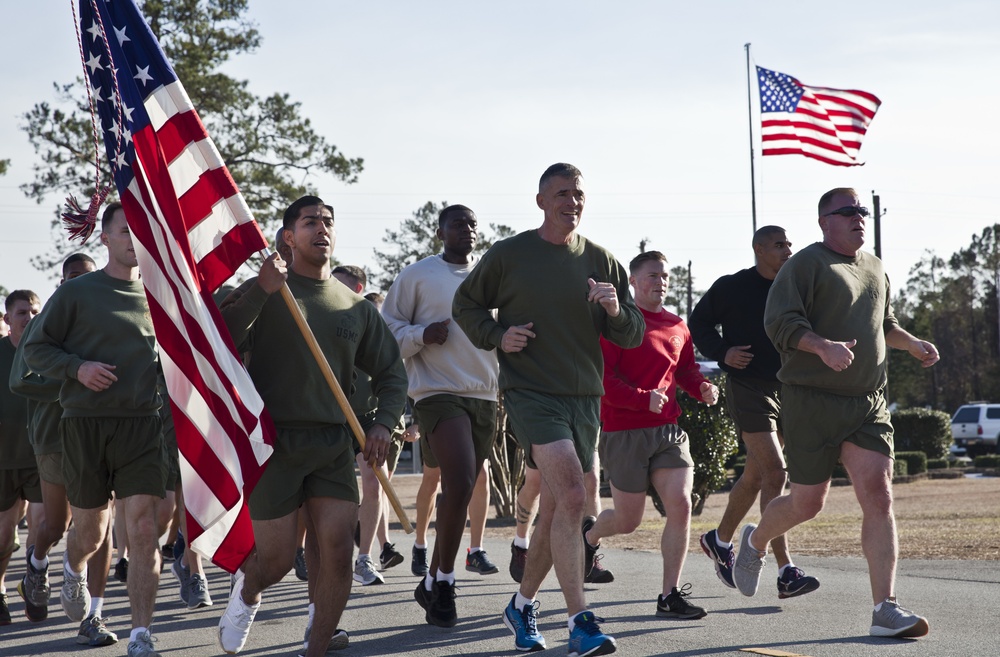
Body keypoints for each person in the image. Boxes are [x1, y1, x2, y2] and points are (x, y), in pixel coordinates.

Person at [454, 163, 643, 656]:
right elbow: (466, 306)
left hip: (584, 398)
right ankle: (580, 621)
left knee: (559, 507)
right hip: (531, 393)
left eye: (578, 194)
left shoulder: (601, 260)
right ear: (541, 201)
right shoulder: (510, 255)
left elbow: (634, 332)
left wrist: (616, 310)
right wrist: (498, 336)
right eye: (561, 193)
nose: (572, 202)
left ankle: (521, 603)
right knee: (576, 495)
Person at [733, 188, 939, 639]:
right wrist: (821, 346)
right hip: (811, 400)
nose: (858, 217)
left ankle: (885, 607)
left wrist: (912, 344)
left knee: (879, 496)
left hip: (867, 402)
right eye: (848, 212)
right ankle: (756, 540)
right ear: (824, 220)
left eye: (862, 211)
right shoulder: (804, 265)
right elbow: (781, 324)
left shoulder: (876, 267)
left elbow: (884, 325)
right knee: (808, 502)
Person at [217, 195, 407, 657]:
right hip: (274, 442)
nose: (321, 229)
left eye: (328, 222)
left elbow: (392, 373)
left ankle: (316, 647)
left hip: (332, 442)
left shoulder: (355, 306)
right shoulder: (266, 287)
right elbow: (221, 339)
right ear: (289, 236)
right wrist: (261, 289)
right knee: (279, 560)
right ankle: (247, 591)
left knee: (339, 550)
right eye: (309, 222)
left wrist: (383, 424)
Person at [21, 203, 166, 657]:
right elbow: (35, 352)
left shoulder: (163, 295)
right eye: (124, 232)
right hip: (84, 425)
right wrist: (77, 368)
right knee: (93, 533)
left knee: (143, 529)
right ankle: (71, 563)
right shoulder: (77, 293)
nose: (133, 240)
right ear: (104, 238)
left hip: (143, 425)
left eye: (140, 233)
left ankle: (141, 634)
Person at [381, 204, 501, 628]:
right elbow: (386, 333)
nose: (467, 229)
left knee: (461, 488)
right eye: (457, 223)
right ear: (440, 232)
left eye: (472, 223)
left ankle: (431, 580)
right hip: (436, 393)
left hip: (485, 395)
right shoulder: (417, 275)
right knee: (462, 479)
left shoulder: (490, 275)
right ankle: (447, 583)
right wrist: (421, 335)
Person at [584, 250, 718, 620]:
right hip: (624, 431)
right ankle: (589, 538)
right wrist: (644, 400)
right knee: (628, 521)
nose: (661, 282)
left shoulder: (678, 326)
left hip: (668, 431)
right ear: (633, 281)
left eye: (665, 277)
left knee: (681, 504)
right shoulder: (617, 325)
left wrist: (703, 387)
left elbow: (687, 371)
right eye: (653, 276)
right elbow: (603, 382)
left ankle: (669, 595)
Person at [688, 226, 820, 599]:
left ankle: (719, 539)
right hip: (747, 387)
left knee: (755, 476)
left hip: (786, 389)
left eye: (790, 244)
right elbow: (698, 323)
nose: (788, 250)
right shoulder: (731, 286)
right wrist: (722, 352)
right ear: (759, 249)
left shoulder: (794, 288)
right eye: (779, 245)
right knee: (776, 472)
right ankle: (785, 569)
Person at [11, 254, 123, 646]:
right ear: (62, 282)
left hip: (99, 433)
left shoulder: (110, 313)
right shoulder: (50, 318)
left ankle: (94, 615)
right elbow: (19, 380)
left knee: (100, 526)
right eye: (72, 276)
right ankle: (37, 563)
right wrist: (73, 380)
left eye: (86, 274)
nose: (80, 281)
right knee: (55, 527)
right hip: (55, 438)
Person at [330, 264, 404, 586]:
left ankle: (365, 558)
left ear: (358, 289)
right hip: (330, 416)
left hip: (366, 418)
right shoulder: (324, 318)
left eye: (342, 285)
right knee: (327, 494)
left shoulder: (373, 321)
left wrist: (390, 423)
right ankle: (311, 552)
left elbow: (394, 375)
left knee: (374, 484)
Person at [0, 290, 42, 626]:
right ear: (7, 319)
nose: (28, 318)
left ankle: (32, 582)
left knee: (43, 523)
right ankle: (0, 590)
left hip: (40, 456)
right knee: (3, 534)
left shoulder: (46, 352)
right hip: (3, 458)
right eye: (21, 313)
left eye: (34, 312)